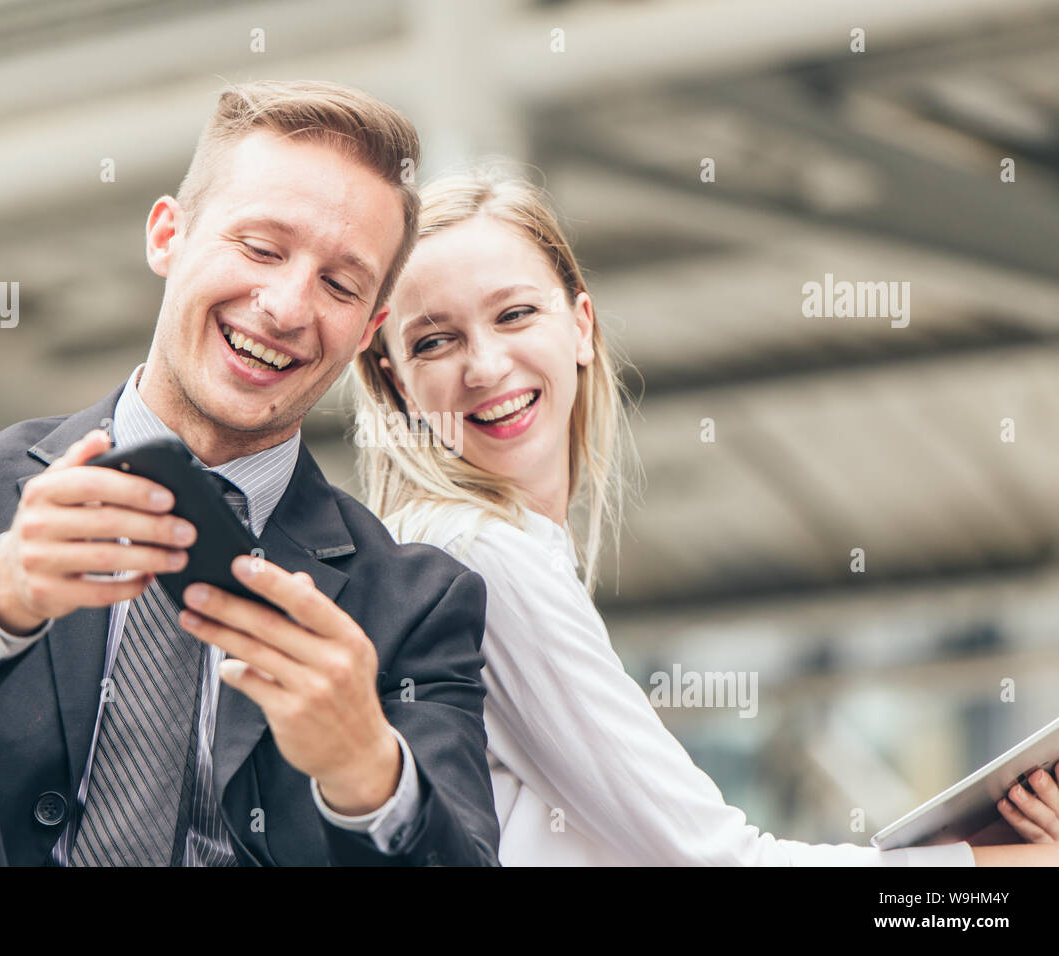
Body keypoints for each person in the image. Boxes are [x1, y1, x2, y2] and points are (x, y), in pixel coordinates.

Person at [0, 80, 501, 866]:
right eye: (260, 247)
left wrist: (368, 772)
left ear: (367, 331)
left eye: (340, 284)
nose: (286, 306)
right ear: (167, 236)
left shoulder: (416, 605)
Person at [351, 165, 1059, 865]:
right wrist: (995, 874)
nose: (484, 366)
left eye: (514, 314)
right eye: (433, 341)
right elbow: (715, 864)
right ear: (394, 379)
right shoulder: (478, 558)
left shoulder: (456, 551)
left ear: (582, 326)